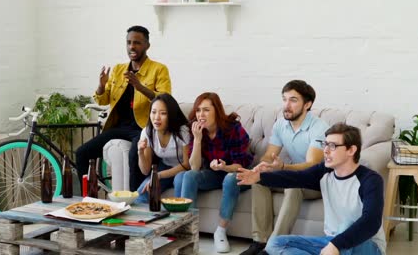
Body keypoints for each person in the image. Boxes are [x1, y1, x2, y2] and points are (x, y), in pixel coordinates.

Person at [237, 123, 386, 255]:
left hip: (366, 246)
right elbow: (296, 178)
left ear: (351, 150)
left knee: (346, 225)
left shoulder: (370, 180)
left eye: (333, 146)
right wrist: (259, 177)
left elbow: (371, 222)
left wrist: (336, 245)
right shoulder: (325, 172)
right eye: (325, 144)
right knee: (276, 243)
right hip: (329, 244)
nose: (326, 151)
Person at [76, 25, 171, 191]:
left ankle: (136, 199)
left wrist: (139, 86)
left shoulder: (159, 69)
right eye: (128, 43)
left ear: (147, 45)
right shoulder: (119, 70)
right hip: (119, 127)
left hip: (143, 128)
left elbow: (165, 100)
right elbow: (103, 99)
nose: (132, 47)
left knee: (135, 153)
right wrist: (101, 85)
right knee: (82, 153)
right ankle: (89, 199)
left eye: (137, 43)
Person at [241, 80, 329, 255]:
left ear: (308, 104)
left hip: (315, 181)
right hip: (293, 176)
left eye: (293, 100)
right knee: (259, 181)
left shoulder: (319, 128)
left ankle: (275, 245)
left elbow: (312, 166)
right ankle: (260, 241)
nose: (286, 105)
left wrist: (283, 166)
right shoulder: (281, 124)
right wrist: (259, 169)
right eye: (284, 99)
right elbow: (269, 155)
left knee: (293, 187)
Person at [175, 92, 253, 253]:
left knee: (230, 179)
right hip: (213, 174)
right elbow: (194, 167)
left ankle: (221, 232)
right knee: (188, 176)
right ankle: (188, 231)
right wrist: (197, 140)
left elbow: (241, 165)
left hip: (237, 173)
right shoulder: (197, 130)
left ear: (217, 111)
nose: (200, 115)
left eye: (206, 110)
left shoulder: (234, 129)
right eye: (198, 110)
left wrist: (225, 167)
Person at [134, 93, 190, 203]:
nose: (156, 118)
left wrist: (158, 175)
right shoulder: (147, 132)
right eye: (153, 112)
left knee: (179, 185)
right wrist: (140, 152)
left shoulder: (183, 131)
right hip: (165, 167)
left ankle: (179, 219)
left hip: (183, 170)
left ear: (171, 115)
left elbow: (187, 165)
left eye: (163, 113)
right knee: (140, 195)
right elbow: (145, 170)